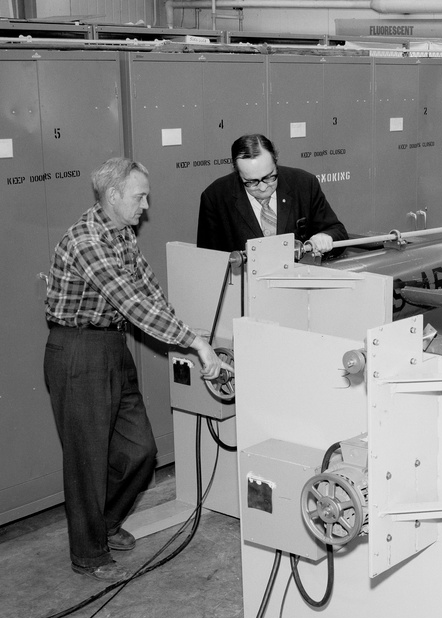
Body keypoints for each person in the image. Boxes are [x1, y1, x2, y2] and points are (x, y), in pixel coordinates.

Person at [45, 158, 229, 583]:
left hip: (112, 345)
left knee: (140, 450)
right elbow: (132, 303)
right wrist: (196, 344)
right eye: (139, 197)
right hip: (77, 350)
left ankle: (105, 522)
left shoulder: (122, 234)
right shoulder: (87, 240)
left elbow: (150, 293)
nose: (145, 206)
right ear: (113, 196)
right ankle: (89, 553)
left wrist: (193, 335)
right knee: (87, 459)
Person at [196, 133, 348, 255]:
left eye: (269, 177)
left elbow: (338, 232)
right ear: (237, 172)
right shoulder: (215, 198)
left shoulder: (304, 184)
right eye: (251, 182)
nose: (263, 187)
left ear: (276, 162)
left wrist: (325, 237)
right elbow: (208, 259)